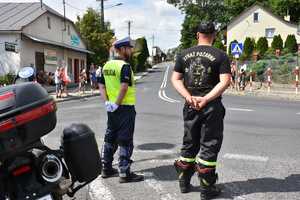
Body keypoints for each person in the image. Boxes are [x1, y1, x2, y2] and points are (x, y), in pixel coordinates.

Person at [171, 22, 231, 199]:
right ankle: (206, 188)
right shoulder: (220, 55)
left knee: (190, 142)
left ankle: (184, 181)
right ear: (214, 35)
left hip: (190, 105)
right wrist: (206, 99)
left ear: (198, 34)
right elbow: (225, 81)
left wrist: (188, 97)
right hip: (210, 106)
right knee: (209, 144)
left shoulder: (183, 54)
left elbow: (175, 79)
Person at [98, 37, 144, 183]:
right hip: (124, 108)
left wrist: (107, 103)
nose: (130, 51)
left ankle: (106, 168)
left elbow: (101, 87)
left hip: (111, 108)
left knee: (110, 137)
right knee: (125, 139)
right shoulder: (124, 66)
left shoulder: (105, 66)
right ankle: (124, 172)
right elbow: (124, 87)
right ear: (122, 49)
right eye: (129, 48)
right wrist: (117, 103)